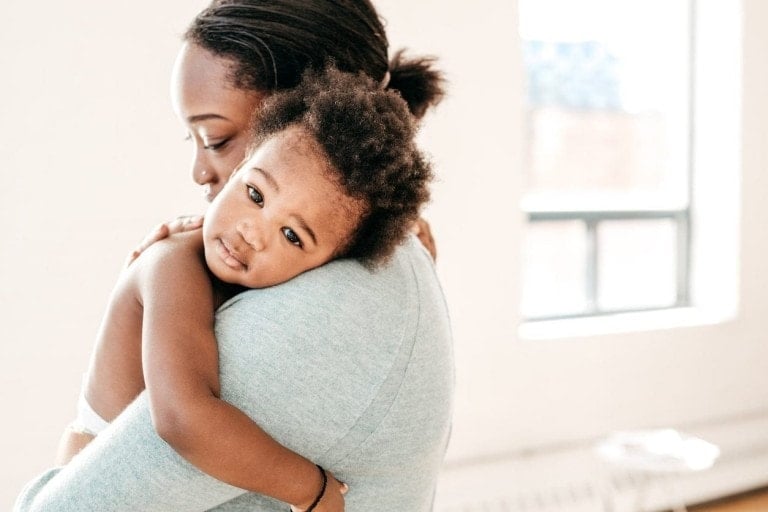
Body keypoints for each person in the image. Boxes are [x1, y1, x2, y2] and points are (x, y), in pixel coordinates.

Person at [14, 1, 453, 511]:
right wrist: (310, 490)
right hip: (86, 449)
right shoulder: (180, 258)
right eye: (198, 140)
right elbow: (181, 416)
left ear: (299, 115)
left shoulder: (332, 296)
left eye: (216, 139)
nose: (199, 173)